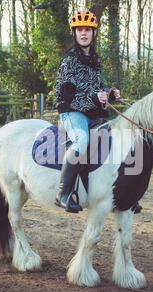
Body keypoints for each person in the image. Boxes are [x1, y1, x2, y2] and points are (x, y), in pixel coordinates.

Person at [54, 10, 120, 213]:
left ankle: (121, 192)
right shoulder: (69, 61)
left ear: (93, 33)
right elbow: (69, 95)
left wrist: (109, 94)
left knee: (118, 138)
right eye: (80, 30)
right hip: (71, 112)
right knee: (81, 141)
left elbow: (98, 88)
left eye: (88, 30)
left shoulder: (95, 61)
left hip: (92, 114)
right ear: (74, 34)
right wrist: (94, 97)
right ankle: (63, 194)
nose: (84, 33)